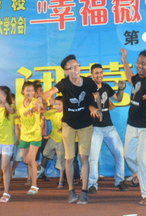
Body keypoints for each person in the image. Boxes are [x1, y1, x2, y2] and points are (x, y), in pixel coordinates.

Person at [42, 54, 101, 205]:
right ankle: (71, 191)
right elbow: (50, 92)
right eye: (72, 68)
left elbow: (96, 94)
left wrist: (97, 108)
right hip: (68, 125)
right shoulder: (64, 84)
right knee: (69, 159)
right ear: (66, 71)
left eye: (77, 66)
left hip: (85, 125)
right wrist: (41, 98)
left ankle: (84, 191)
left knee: (83, 157)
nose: (76, 69)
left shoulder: (88, 82)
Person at [120, 48, 146, 206]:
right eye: (138, 62)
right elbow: (130, 77)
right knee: (129, 156)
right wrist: (125, 60)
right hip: (133, 124)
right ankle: (142, 174)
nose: (139, 66)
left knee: (144, 160)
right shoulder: (137, 77)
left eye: (143, 64)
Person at [87, 63, 127, 193]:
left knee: (120, 153)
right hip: (95, 128)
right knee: (93, 158)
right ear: (92, 75)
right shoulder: (87, 89)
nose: (99, 75)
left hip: (109, 126)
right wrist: (92, 108)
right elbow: (84, 105)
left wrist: (121, 88)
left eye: (100, 72)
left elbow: (118, 98)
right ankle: (92, 184)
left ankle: (119, 181)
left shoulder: (106, 87)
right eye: (96, 73)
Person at [15, 81, 44, 195]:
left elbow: (39, 106)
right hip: (24, 135)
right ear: (23, 91)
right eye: (27, 90)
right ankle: (39, 168)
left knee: (31, 160)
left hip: (35, 134)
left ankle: (34, 186)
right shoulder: (19, 103)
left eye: (32, 91)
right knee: (26, 160)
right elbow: (18, 116)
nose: (30, 93)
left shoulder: (36, 101)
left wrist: (32, 109)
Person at [40, 96, 66, 188]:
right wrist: (43, 106)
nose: (57, 106)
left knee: (61, 161)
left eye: (59, 104)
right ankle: (39, 171)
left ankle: (61, 181)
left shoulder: (66, 114)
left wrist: (63, 128)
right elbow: (43, 113)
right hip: (52, 138)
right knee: (45, 153)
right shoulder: (53, 112)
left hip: (62, 141)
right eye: (56, 104)